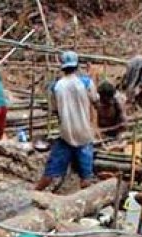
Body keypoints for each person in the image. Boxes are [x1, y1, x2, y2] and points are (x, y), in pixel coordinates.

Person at [36, 51, 99, 191]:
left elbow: (55, 110)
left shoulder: (56, 87)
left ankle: (34, 193)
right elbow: (95, 100)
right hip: (84, 135)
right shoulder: (86, 83)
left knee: (50, 173)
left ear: (62, 67)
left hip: (66, 135)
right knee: (86, 176)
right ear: (76, 66)